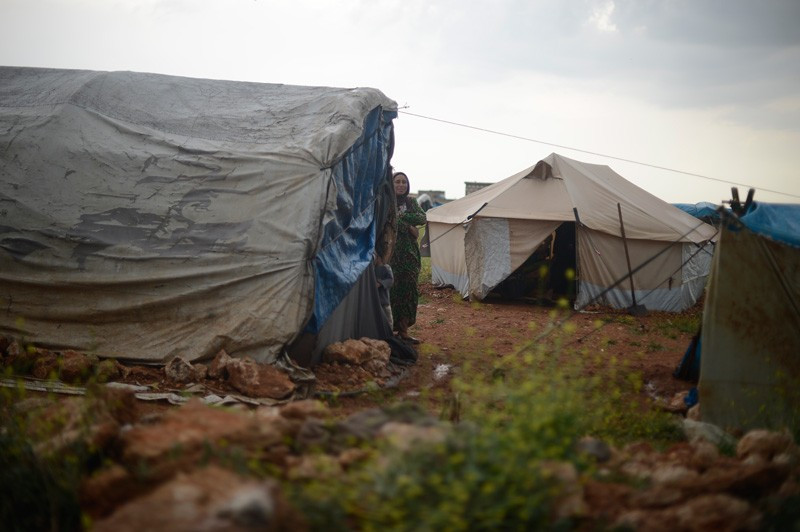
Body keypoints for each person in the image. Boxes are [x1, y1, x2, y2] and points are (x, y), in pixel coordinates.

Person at [389, 171, 426, 344]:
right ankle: (388, 329)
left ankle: (403, 331)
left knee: (408, 292)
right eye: (397, 181)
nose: (401, 185)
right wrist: (410, 228)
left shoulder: (411, 202)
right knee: (391, 291)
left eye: (404, 182)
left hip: (409, 256)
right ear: (392, 183)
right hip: (389, 254)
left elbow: (422, 217)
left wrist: (402, 218)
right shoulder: (386, 202)